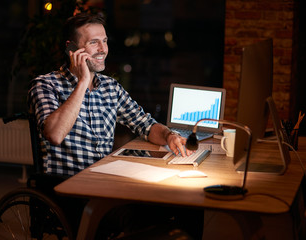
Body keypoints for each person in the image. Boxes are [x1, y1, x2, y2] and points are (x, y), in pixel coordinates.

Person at [28, 12, 203, 239]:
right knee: (139, 217)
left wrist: (169, 136)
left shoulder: (110, 87)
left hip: (106, 186)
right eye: (93, 42)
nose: (102, 49)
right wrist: (83, 82)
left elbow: (146, 125)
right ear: (72, 50)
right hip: (71, 193)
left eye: (105, 40)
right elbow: (54, 134)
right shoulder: (45, 85)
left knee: (187, 204)